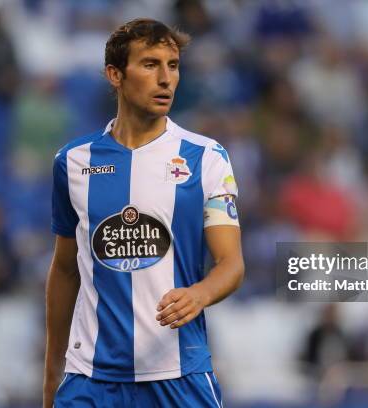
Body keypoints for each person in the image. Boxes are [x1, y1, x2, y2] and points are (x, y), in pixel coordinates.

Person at [44, 18, 244, 407]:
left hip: (179, 376)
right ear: (114, 74)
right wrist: (53, 371)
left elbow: (231, 264)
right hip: (89, 378)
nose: (166, 78)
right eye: (151, 64)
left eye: (173, 65)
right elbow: (65, 269)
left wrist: (200, 293)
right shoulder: (72, 162)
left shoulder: (206, 158)